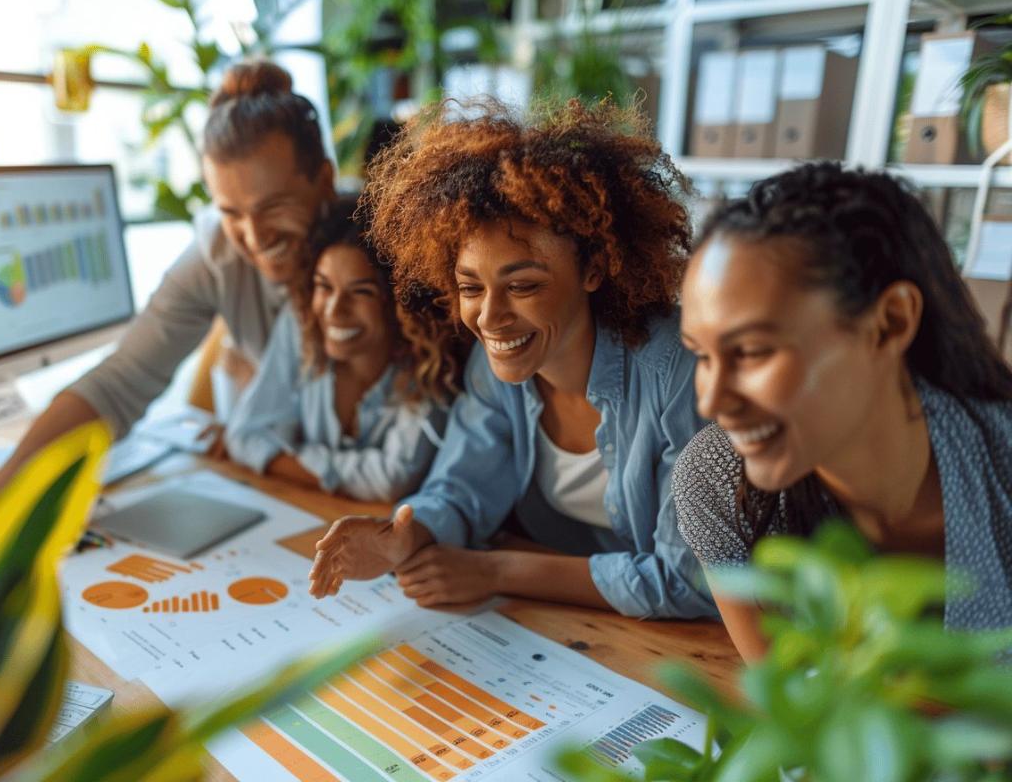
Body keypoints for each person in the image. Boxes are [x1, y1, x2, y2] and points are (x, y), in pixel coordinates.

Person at [0, 59, 338, 552]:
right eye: (231, 212)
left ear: (324, 180)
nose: (254, 236)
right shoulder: (219, 254)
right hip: (296, 495)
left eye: (273, 207)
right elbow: (119, 383)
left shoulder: (374, 246)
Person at [308, 99, 717, 619]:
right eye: (470, 287)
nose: (489, 318)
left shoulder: (678, 374)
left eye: (523, 286)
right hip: (582, 624)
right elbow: (461, 489)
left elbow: (691, 580)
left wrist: (496, 571)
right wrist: (401, 539)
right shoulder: (497, 365)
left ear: (594, 270)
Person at [672, 162, 1012, 661]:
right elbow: (788, 695)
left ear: (890, 323)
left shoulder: (999, 459)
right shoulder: (716, 481)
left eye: (752, 352)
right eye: (702, 356)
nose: (711, 401)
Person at [221, 199, 453, 501]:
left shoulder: (427, 362)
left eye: (361, 292)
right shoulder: (301, 321)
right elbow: (245, 434)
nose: (334, 310)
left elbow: (393, 479)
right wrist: (345, 476)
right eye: (324, 286)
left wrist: (291, 456)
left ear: (400, 304)